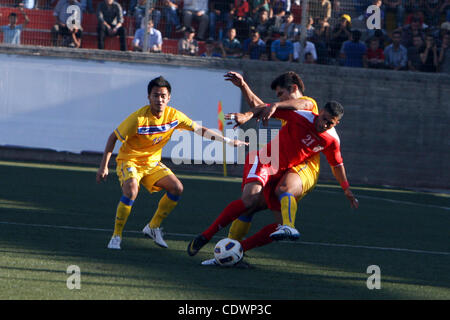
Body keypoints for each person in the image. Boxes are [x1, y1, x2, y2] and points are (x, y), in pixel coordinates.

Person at [188, 101, 359, 265]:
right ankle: (205, 236)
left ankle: (237, 251)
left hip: (281, 174)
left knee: (278, 227)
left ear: (337, 123)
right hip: (265, 160)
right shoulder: (300, 115)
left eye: (330, 123)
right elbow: (265, 107)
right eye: (324, 119)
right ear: (320, 112)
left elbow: (337, 164)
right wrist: (246, 116)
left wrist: (346, 189)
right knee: (249, 201)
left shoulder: (331, 140)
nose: (324, 125)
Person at [186, 71, 327, 263]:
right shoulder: (291, 114)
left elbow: (299, 104)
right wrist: (244, 86)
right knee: (249, 204)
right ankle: (212, 240)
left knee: (274, 219)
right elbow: (261, 107)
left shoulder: (308, 105)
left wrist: (271, 106)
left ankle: (236, 251)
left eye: (280, 94)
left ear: (293, 89)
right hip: (274, 163)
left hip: (293, 170)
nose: (278, 99)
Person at [97, 76, 247, 250]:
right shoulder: (138, 118)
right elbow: (113, 137)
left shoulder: (174, 116)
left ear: (169, 98)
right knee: (131, 190)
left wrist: (228, 141)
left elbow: (200, 130)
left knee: (177, 188)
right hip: (129, 160)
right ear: (148, 97)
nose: (159, 99)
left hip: (152, 163)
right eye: (155, 95)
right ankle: (116, 235)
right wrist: (104, 166)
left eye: (163, 96)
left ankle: (153, 227)